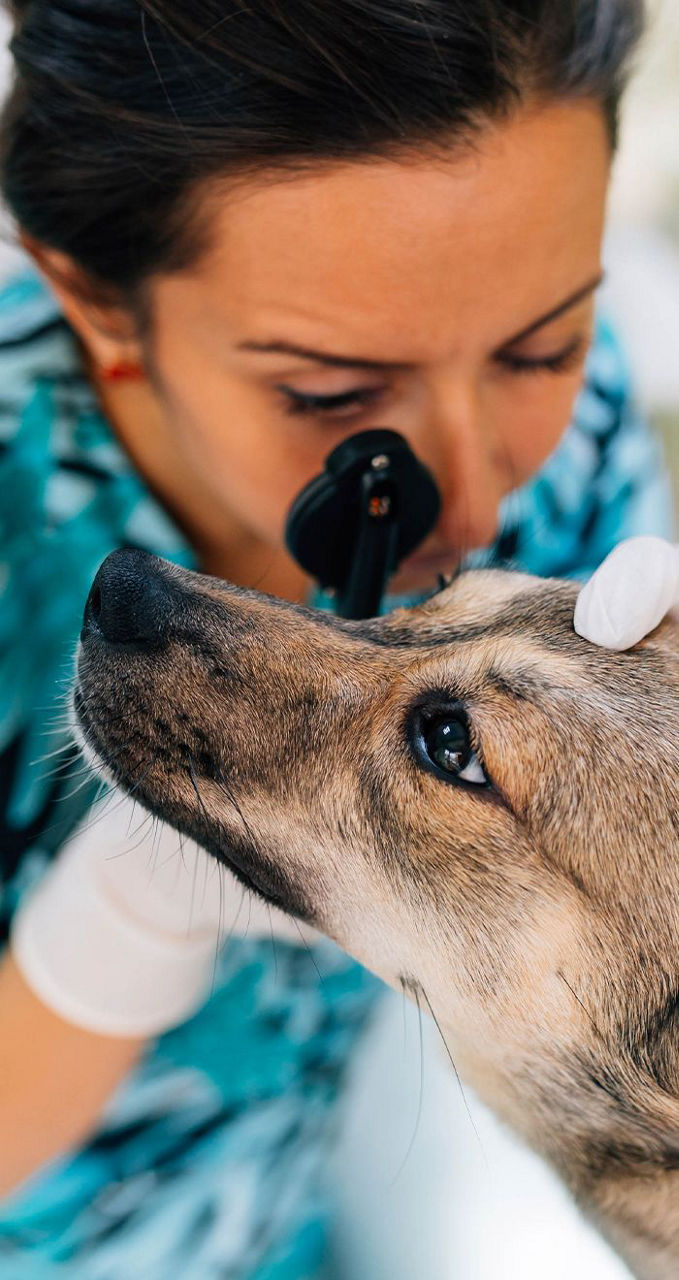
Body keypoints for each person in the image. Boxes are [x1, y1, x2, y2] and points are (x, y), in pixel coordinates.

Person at [0, 0, 673, 1276]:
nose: (480, 503)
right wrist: (112, 932)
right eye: (331, 393)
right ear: (93, 299)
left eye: (546, 344)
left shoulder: (572, 442)